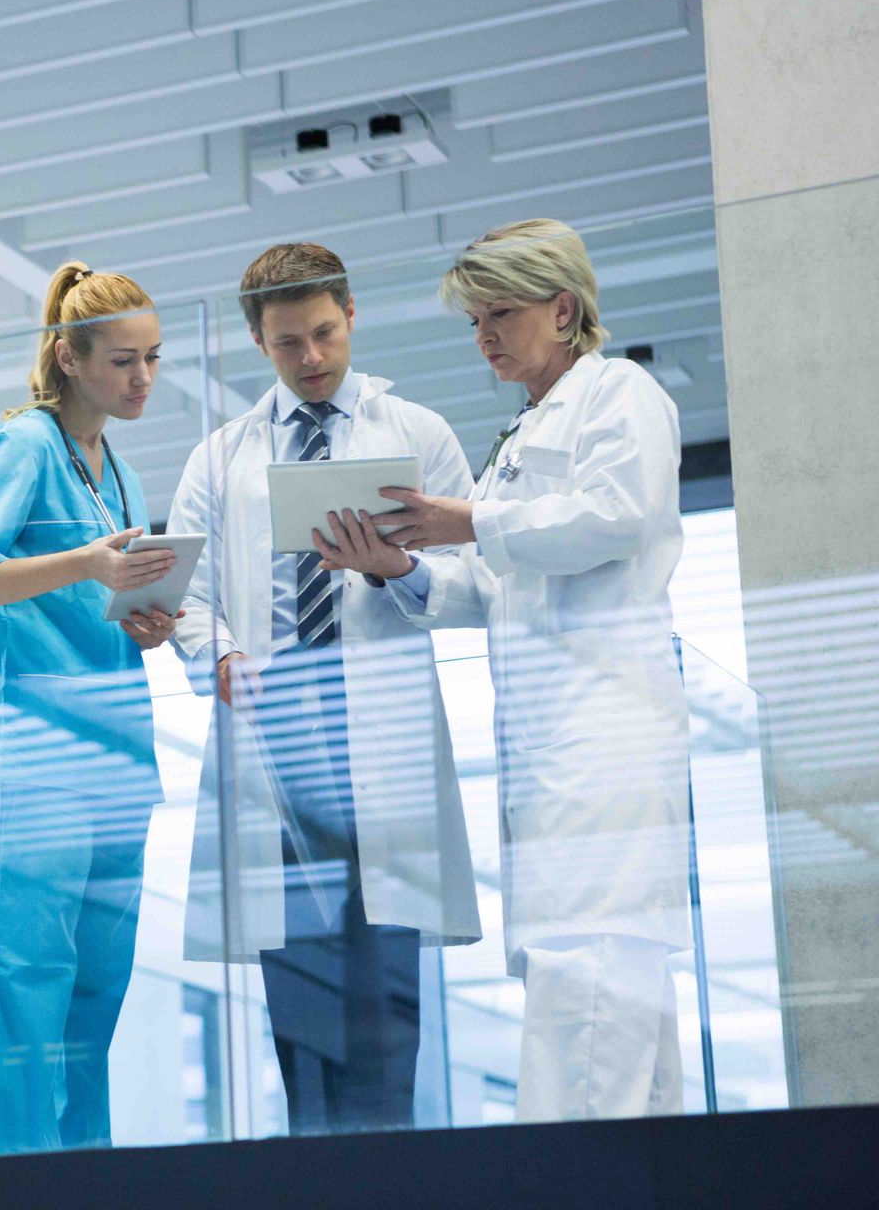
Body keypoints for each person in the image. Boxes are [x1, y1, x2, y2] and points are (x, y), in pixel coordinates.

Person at [318, 218, 693, 1122]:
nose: (484, 334)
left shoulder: (620, 394)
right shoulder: (523, 432)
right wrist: (399, 566)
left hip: (606, 726)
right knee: (594, 979)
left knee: (589, 967)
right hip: (546, 732)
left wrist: (471, 521)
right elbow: (491, 588)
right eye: (474, 320)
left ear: (564, 310)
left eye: (501, 313)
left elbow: (615, 517)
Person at [168, 243, 480, 1136]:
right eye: (287, 343)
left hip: (374, 747)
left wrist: (397, 570)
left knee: (385, 1018)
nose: (311, 358)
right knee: (300, 1020)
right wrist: (220, 657)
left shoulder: (415, 434)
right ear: (257, 344)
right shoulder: (220, 457)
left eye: (324, 333)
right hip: (279, 746)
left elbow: (479, 582)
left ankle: (390, 1180)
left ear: (352, 314)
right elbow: (191, 597)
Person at [0, 262, 178, 1154]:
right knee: (27, 978)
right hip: (36, 754)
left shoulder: (121, 474)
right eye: (122, 361)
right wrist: (85, 566)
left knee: (97, 988)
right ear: (69, 359)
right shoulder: (21, 449)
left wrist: (145, 621)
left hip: (116, 751)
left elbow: (101, 600)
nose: (142, 379)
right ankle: (9, 1177)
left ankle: (84, 1172)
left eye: (152, 359)